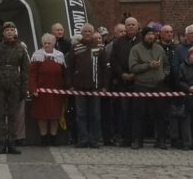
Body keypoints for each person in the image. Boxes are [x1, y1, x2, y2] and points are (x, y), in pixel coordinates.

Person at [0, 20, 29, 154]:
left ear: (15, 32)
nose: (9, 32)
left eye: (12, 30)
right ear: (3, 33)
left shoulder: (21, 48)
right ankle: (2, 143)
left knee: (13, 115)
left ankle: (12, 143)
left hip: (15, 82)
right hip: (0, 83)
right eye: (6, 30)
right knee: (0, 114)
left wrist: (24, 89)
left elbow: (26, 70)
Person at [67, 23, 107, 148]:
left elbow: (105, 68)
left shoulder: (100, 47)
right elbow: (69, 67)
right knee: (80, 114)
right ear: (82, 33)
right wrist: (70, 84)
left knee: (95, 114)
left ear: (93, 32)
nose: (87, 33)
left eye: (90, 31)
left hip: (96, 86)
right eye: (85, 31)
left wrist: (105, 85)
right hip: (79, 86)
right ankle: (83, 138)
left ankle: (94, 139)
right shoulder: (75, 47)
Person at [129, 24, 167, 149]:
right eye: (148, 34)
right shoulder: (136, 49)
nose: (151, 37)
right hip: (142, 85)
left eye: (152, 34)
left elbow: (166, 65)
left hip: (158, 85)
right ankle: (137, 140)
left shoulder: (159, 49)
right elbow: (133, 67)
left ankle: (160, 140)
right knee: (140, 114)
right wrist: (148, 65)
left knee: (160, 114)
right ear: (143, 36)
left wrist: (163, 74)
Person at [29, 32, 67, 145]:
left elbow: (64, 73)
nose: (46, 45)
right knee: (42, 116)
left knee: (55, 116)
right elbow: (32, 74)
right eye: (45, 43)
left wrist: (65, 89)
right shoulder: (37, 55)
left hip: (56, 92)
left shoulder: (60, 55)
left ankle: (53, 138)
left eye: (49, 43)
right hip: (41, 92)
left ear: (54, 43)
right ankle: (44, 138)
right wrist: (33, 89)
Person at [108, 16, 139, 147]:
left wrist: (136, 74)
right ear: (125, 27)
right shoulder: (118, 42)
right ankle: (125, 137)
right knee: (124, 111)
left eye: (133, 24)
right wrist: (122, 74)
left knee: (138, 111)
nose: (131, 27)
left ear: (137, 27)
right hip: (123, 82)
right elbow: (114, 61)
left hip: (139, 82)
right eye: (128, 25)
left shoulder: (142, 41)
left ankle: (137, 138)